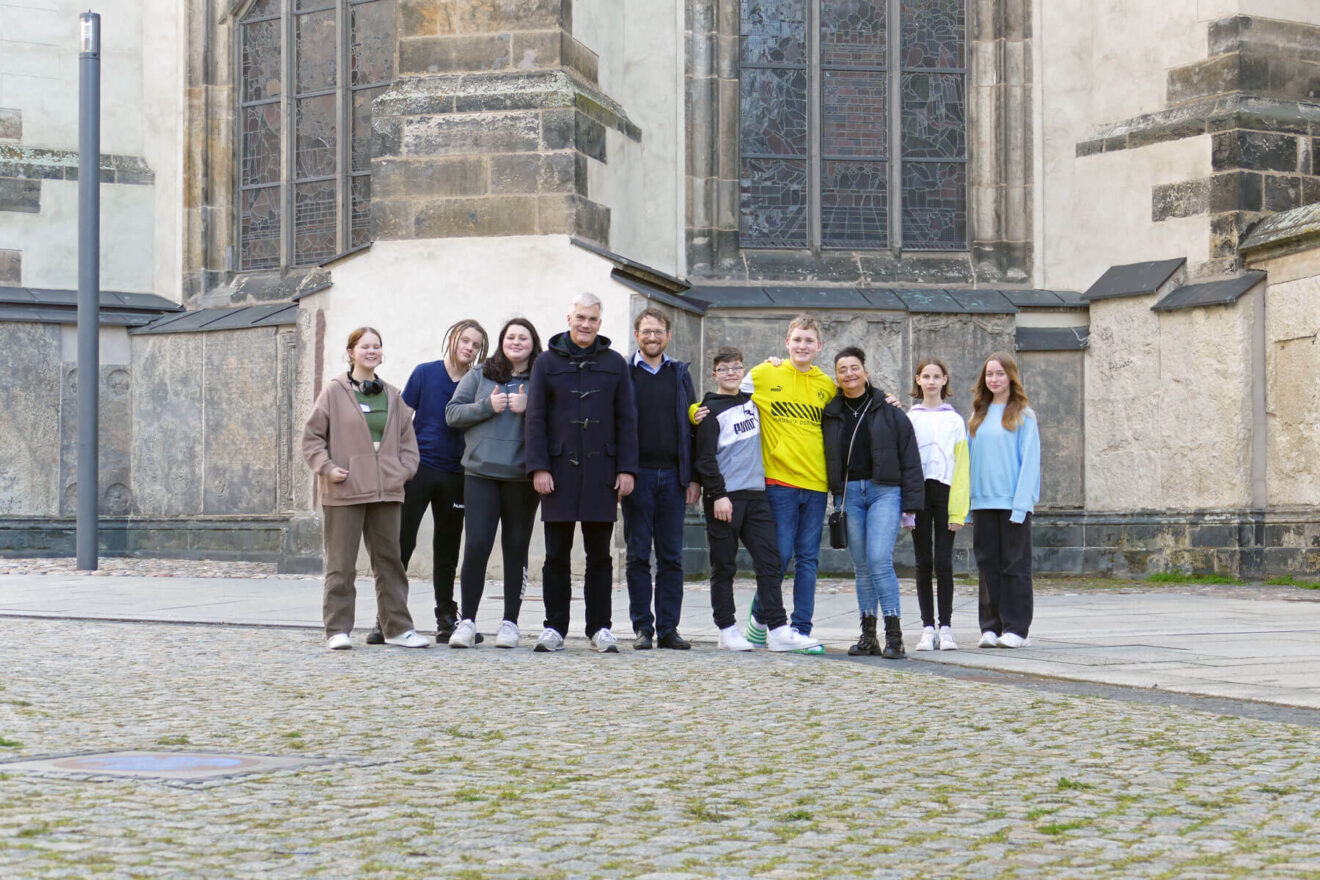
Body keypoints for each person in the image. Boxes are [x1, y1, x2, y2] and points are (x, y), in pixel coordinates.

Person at [301, 327, 429, 651]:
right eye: (364, 346)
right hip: (344, 491)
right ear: (351, 352)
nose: (371, 351)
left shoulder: (393, 396)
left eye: (376, 347)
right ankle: (338, 629)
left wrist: (401, 473)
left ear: (381, 353)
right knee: (341, 565)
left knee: (391, 563)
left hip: (386, 492)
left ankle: (398, 628)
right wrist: (328, 469)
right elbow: (312, 438)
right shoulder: (333, 392)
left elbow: (408, 444)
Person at [524, 293, 639, 653]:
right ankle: (554, 627)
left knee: (600, 556)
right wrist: (539, 467)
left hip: (602, 471)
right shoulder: (545, 362)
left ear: (599, 323)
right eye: (580, 318)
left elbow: (627, 419)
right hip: (557, 471)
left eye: (592, 319)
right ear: (569, 318)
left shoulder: (614, 363)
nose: (585, 324)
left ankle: (599, 628)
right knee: (555, 554)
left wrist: (626, 469)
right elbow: (535, 418)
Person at [367, 319, 488, 645]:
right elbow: (401, 418)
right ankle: (386, 619)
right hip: (420, 470)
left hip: (457, 474)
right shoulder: (425, 373)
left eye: (476, 345)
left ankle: (447, 620)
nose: (470, 348)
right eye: (465, 340)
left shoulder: (477, 381)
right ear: (452, 339)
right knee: (401, 545)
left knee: (447, 550)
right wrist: (395, 463)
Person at [693, 347, 822, 653]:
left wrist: (773, 362)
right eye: (724, 369)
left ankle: (777, 629)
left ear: (743, 371)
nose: (730, 373)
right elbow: (705, 460)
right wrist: (718, 495)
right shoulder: (709, 412)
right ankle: (726, 628)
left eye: (736, 368)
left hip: (757, 496)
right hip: (725, 499)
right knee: (724, 566)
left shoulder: (755, 403)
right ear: (715, 374)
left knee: (770, 562)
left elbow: (777, 386)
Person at [444, 318, 542, 649]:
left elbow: (555, 421)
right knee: (476, 546)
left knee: (516, 548)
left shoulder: (540, 379)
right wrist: (488, 406)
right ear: (502, 342)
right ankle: (467, 621)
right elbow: (452, 414)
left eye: (523, 337)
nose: (516, 342)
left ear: (533, 343)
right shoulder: (479, 375)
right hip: (480, 475)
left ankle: (510, 623)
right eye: (510, 337)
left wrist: (529, 409)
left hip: (521, 478)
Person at [739, 314, 835, 650]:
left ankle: (802, 628)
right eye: (797, 339)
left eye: (809, 340)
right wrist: (697, 413)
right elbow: (728, 399)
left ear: (819, 346)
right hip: (778, 480)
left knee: (808, 558)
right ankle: (762, 612)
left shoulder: (827, 385)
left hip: (816, 483)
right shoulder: (765, 373)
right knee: (778, 556)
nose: (803, 345)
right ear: (787, 342)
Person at [822, 347, 924, 659]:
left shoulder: (890, 411)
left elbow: (910, 456)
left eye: (854, 368)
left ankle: (894, 635)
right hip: (849, 495)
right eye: (843, 369)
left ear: (865, 372)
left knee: (879, 559)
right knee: (862, 565)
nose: (849, 373)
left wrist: (911, 503)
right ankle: (868, 636)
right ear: (837, 377)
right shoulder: (830, 413)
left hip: (884, 492)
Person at [621, 307, 700, 651]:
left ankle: (669, 628)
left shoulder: (679, 373)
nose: (652, 337)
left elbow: (693, 426)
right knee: (638, 555)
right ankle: (642, 628)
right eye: (646, 331)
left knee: (671, 556)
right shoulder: (624, 373)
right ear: (637, 335)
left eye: (658, 331)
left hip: (673, 477)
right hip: (636, 477)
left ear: (668, 336)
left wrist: (693, 476)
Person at [968, 351, 1041, 650]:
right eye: (989, 374)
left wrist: (1021, 505)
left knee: (1014, 566)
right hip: (982, 502)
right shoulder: (976, 416)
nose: (994, 379)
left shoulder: (1024, 414)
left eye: (999, 373)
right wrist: (967, 505)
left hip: (1012, 504)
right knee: (987, 567)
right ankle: (990, 626)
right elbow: (970, 462)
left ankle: (1015, 628)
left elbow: (1030, 463)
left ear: (1010, 376)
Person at [907, 357, 970, 651]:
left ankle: (946, 627)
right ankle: (927, 627)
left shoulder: (955, 421)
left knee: (943, 562)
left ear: (945, 380)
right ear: (918, 381)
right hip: (920, 495)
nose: (931, 381)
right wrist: (906, 507)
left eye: (937, 376)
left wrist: (959, 510)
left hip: (945, 494)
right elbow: (906, 463)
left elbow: (962, 468)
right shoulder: (911, 418)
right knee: (923, 562)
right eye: (926, 376)